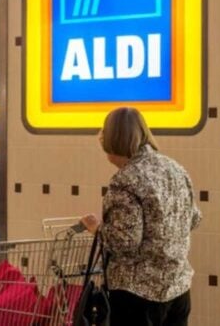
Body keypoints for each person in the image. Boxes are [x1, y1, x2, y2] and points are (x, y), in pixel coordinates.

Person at [80, 107, 200, 326]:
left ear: (112, 141)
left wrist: (97, 229)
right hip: (178, 287)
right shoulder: (175, 168)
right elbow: (194, 218)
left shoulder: (126, 180)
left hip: (137, 294)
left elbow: (124, 243)